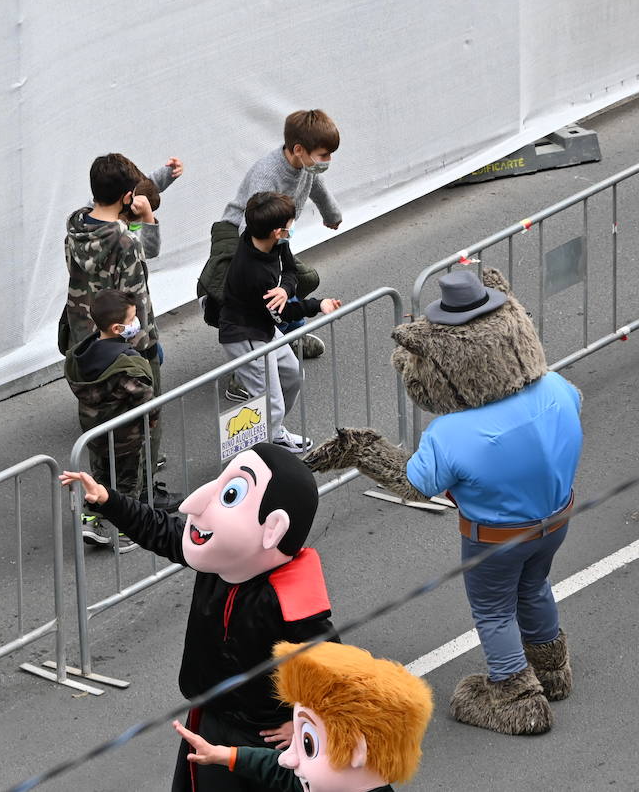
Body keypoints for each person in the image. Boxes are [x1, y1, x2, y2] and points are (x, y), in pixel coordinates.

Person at [307, 268, 582, 736]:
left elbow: (415, 482)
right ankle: (553, 672)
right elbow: (574, 407)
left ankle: (517, 697)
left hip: (496, 538)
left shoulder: (452, 433)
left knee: (494, 610)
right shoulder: (554, 388)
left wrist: (363, 450)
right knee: (534, 587)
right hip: (555, 520)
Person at [61, 444, 335, 792]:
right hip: (209, 716)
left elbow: (336, 678)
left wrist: (303, 725)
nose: (195, 505)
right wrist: (109, 501)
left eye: (231, 494)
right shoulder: (219, 561)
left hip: (258, 738)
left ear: (274, 527)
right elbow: (160, 530)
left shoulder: (291, 597)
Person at [172, 641, 434, 792]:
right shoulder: (324, 781)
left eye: (307, 743)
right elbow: (277, 770)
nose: (288, 757)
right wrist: (221, 754)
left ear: (356, 750)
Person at [200, 110, 342, 373]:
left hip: (274, 237)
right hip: (240, 234)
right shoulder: (267, 175)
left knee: (303, 279)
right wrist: (262, 269)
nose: (327, 160)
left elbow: (317, 186)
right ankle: (247, 365)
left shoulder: (305, 166)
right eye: (324, 155)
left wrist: (331, 215)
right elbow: (249, 227)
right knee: (252, 296)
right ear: (299, 149)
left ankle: (288, 336)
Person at [62, 154, 166, 473]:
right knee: (143, 420)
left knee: (98, 416)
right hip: (125, 345)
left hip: (86, 338)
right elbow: (134, 300)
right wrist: (146, 344)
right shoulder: (124, 241)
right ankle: (145, 486)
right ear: (126, 198)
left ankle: (102, 486)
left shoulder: (76, 228)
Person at [219, 192, 342, 454]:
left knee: (293, 375)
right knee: (270, 403)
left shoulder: (275, 241)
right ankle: (259, 458)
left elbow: (290, 271)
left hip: (262, 326)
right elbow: (285, 315)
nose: (292, 227)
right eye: (290, 223)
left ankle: (271, 434)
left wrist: (286, 289)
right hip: (245, 336)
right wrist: (317, 305)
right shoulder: (253, 272)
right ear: (277, 231)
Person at [63, 289, 174, 550]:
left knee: (99, 477)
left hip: (94, 433)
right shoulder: (128, 364)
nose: (136, 323)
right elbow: (147, 400)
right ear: (117, 327)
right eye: (133, 318)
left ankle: (91, 520)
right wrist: (152, 421)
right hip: (126, 437)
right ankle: (126, 533)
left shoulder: (81, 356)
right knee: (127, 483)